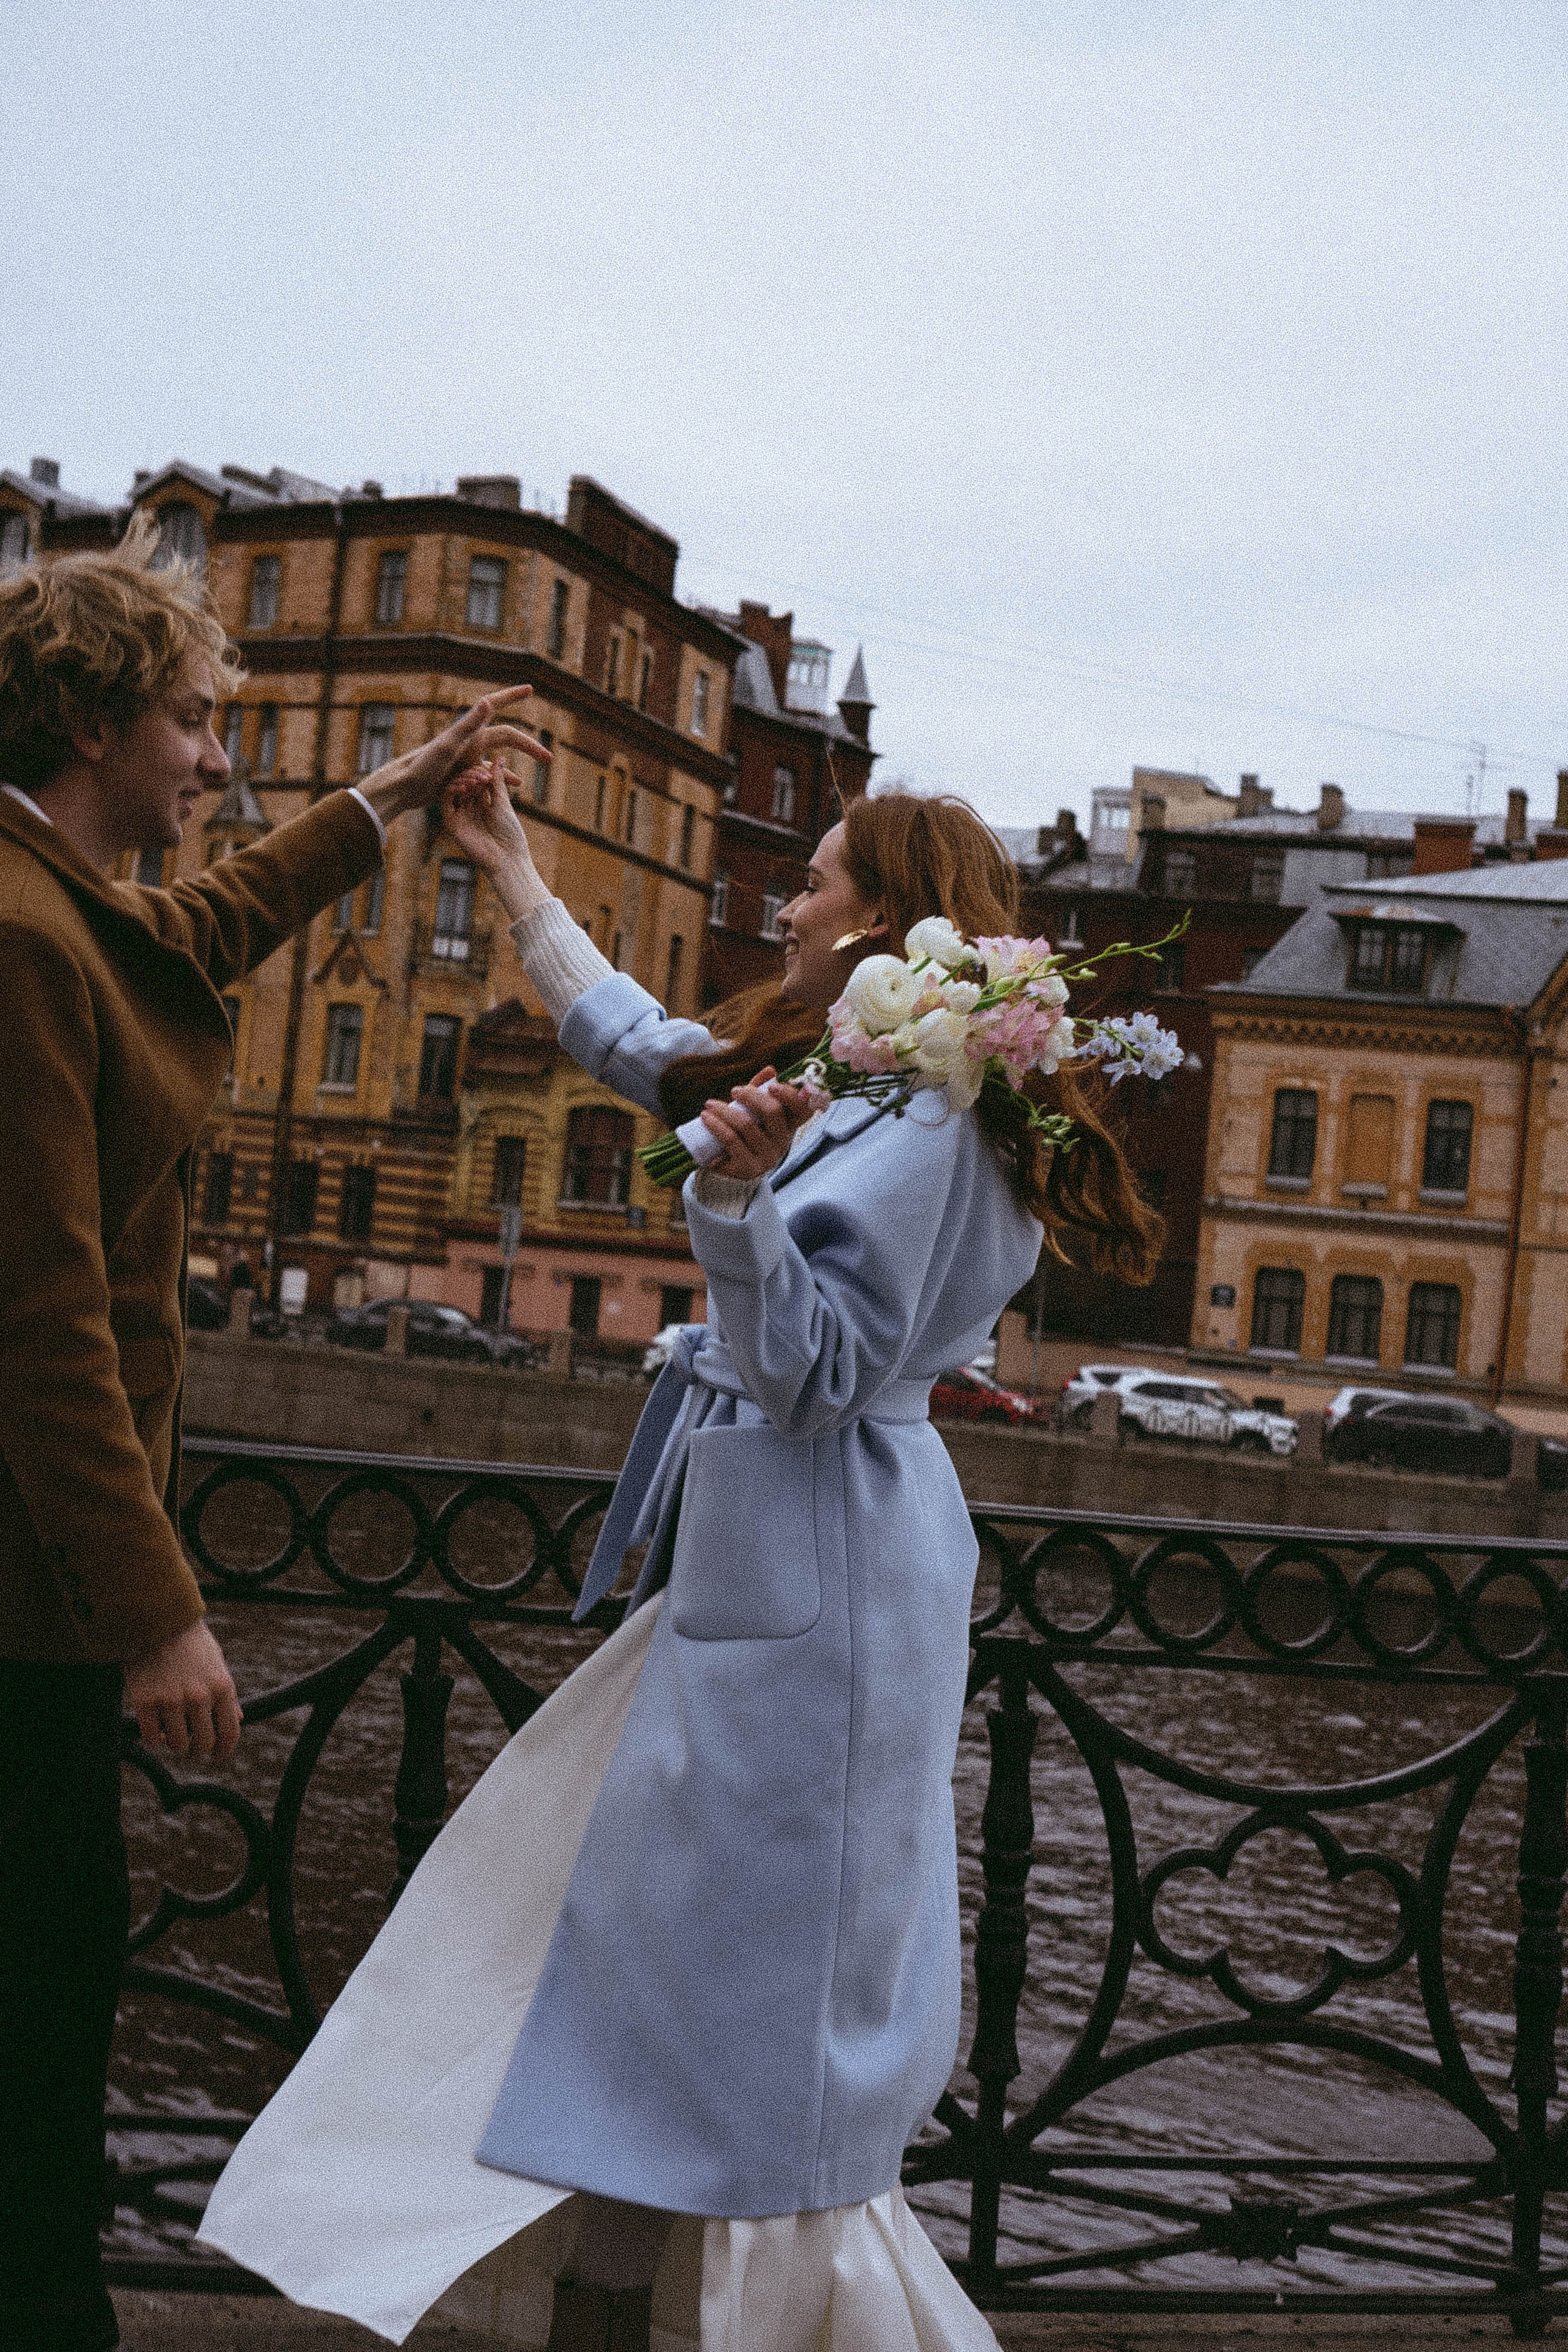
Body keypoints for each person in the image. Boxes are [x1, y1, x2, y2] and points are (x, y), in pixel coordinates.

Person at [199, 772, 1161, 2351]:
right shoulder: (856, 1081)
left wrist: (724, 1202)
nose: (787, 904)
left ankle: (701, 2298)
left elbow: (811, 1368)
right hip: (788, 1560)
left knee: (729, 1974)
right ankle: (608, 2271)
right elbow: (644, 1042)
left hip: (823, 1566)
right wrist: (512, 874)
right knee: (633, 1935)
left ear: (887, 919)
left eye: (819, 879)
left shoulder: (926, 1121)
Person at [0, 519, 546, 2352]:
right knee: (34, 2003)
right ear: (91, 724)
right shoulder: (14, 941)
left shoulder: (55, 907)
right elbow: (41, 1323)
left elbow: (209, 928)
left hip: (39, 1585)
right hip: (23, 1599)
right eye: (194, 722)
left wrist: (390, 791)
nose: (220, 761)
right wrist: (157, 1612)